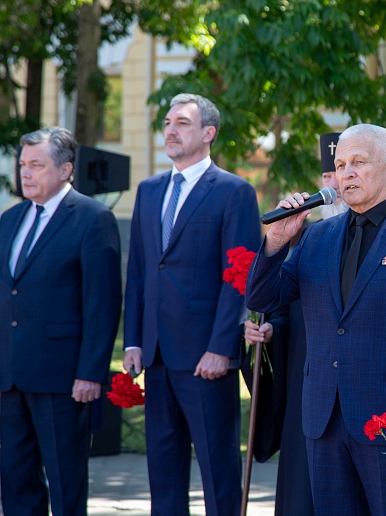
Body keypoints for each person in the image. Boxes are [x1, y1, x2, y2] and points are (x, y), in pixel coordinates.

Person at [246, 123, 386, 516]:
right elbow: (263, 298)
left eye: (359, 163)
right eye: (340, 165)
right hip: (324, 420)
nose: (347, 173)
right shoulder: (318, 236)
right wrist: (276, 241)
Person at [123, 93, 261, 516]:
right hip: (156, 356)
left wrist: (221, 347)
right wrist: (133, 341)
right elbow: (140, 272)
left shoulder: (234, 192)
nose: (170, 130)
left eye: (182, 122)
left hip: (206, 359)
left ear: (208, 133)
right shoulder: (149, 191)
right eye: (167, 122)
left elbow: (239, 276)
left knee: (219, 474)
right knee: (163, 476)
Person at [0, 127, 122, 516]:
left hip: (63, 378)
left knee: (66, 484)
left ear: (66, 169)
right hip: (9, 376)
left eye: (37, 165)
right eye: (23, 164)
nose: (26, 172)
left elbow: (102, 305)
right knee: (16, 482)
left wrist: (91, 373)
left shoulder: (93, 218)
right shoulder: (9, 219)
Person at [244, 131, 346, 516]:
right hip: (309, 377)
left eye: (347, 170)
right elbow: (284, 304)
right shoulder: (308, 237)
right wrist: (273, 328)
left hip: (360, 388)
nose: (336, 183)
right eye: (329, 175)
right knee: (302, 490)